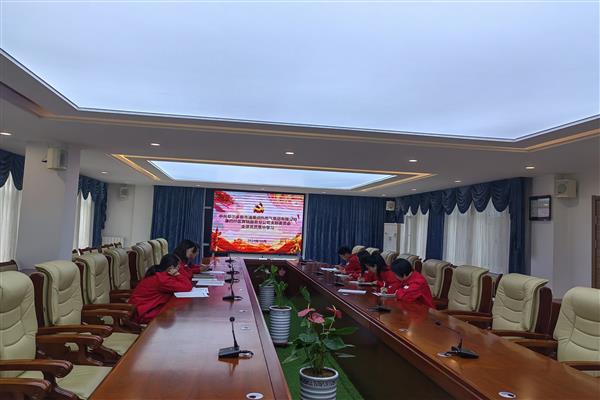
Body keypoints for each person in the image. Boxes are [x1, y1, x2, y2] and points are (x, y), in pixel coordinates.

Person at [129, 254, 193, 324]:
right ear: (171, 268)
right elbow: (187, 286)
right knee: (177, 316)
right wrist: (178, 274)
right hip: (143, 312)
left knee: (176, 313)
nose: (179, 270)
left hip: (146, 308)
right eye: (178, 267)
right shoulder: (162, 279)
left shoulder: (160, 274)